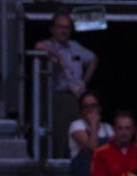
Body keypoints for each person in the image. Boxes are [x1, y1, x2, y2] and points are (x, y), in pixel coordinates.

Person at [34, 11, 98, 159]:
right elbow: (38, 46)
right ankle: (58, 162)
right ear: (53, 29)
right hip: (59, 97)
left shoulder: (75, 46)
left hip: (78, 97)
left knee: (80, 132)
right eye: (60, 27)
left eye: (67, 27)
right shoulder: (49, 44)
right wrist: (57, 55)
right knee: (60, 133)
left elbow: (93, 59)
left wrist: (84, 81)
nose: (63, 30)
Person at [89, 109, 137, 176]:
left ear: (133, 130)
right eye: (120, 128)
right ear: (114, 129)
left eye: (127, 128)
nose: (124, 132)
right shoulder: (100, 153)